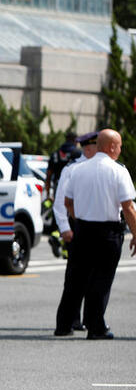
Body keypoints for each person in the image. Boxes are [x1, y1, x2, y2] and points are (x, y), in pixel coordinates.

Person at [63, 129, 136, 340]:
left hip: (83, 229)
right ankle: (96, 326)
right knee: (102, 280)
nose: (121, 149)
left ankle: (69, 323)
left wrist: (81, 218)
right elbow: (128, 207)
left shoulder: (78, 169)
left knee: (79, 277)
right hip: (107, 232)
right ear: (112, 147)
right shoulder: (118, 171)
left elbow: (68, 202)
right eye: (120, 145)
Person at [52, 131, 97, 336]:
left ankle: (87, 319)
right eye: (97, 147)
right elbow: (60, 202)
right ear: (88, 148)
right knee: (75, 276)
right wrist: (64, 228)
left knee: (92, 277)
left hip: (95, 227)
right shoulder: (72, 169)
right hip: (76, 227)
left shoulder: (99, 167)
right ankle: (73, 318)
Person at [45, 131, 80, 200]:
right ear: (75, 140)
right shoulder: (78, 154)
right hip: (73, 188)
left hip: (58, 188)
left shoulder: (55, 154)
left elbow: (48, 175)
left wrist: (48, 194)